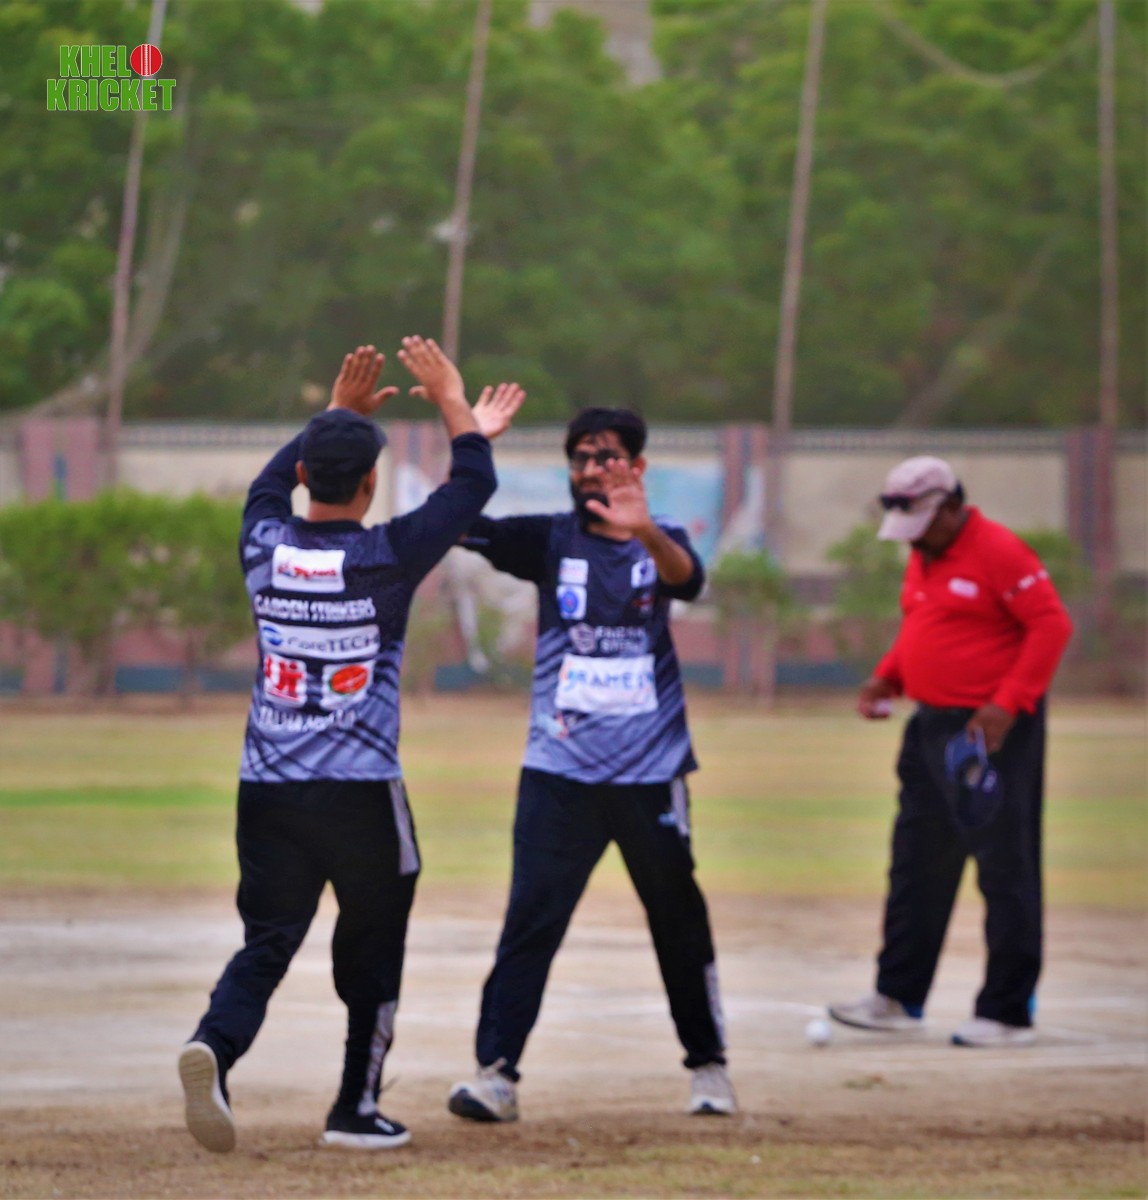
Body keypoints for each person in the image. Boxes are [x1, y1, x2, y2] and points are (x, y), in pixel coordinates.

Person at [178, 338, 524, 1153]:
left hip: (267, 790)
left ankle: (215, 1045)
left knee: (268, 940)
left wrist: (334, 412)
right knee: (374, 948)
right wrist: (454, 402)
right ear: (371, 483)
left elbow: (267, 487)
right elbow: (471, 487)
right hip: (362, 792)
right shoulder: (385, 557)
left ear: (306, 474)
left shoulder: (264, 545)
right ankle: (354, 1109)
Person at [446, 407, 735, 1122]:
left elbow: (687, 581)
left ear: (637, 466)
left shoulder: (663, 539)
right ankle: (495, 1075)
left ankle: (709, 1069)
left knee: (677, 920)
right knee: (530, 921)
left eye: (606, 456)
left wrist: (644, 529)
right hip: (559, 774)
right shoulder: (549, 539)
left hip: (649, 775)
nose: (591, 468)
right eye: (580, 457)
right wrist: (469, 440)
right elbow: (452, 523)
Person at [828, 455, 1073, 1047]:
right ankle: (898, 996)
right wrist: (888, 675)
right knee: (916, 863)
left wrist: (1007, 704)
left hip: (991, 732)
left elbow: (1051, 626)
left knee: (1005, 867)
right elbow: (924, 625)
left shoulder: (1000, 551)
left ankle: (1007, 1011)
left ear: (952, 507)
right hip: (929, 727)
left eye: (921, 525)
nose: (913, 540)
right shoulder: (924, 554)